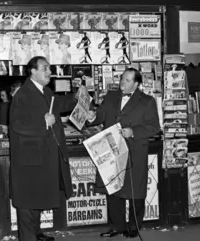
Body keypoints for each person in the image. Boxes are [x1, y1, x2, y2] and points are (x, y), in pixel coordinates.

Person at [87, 68, 160, 238]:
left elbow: (154, 126)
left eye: (127, 80)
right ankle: (116, 226)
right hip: (111, 150)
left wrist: (133, 131)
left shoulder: (147, 101)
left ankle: (134, 226)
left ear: (136, 83)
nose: (122, 82)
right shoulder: (111, 96)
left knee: (136, 190)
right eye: (122, 78)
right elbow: (100, 116)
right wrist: (92, 116)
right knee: (113, 189)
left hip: (135, 151)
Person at [9, 56, 76, 241]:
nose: (50, 72)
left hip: (42, 157)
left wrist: (77, 98)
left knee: (36, 199)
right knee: (28, 202)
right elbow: (17, 124)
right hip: (29, 160)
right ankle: (29, 237)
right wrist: (43, 122)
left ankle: (36, 233)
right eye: (45, 68)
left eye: (49, 68)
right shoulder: (22, 94)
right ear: (33, 71)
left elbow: (60, 104)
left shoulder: (44, 91)